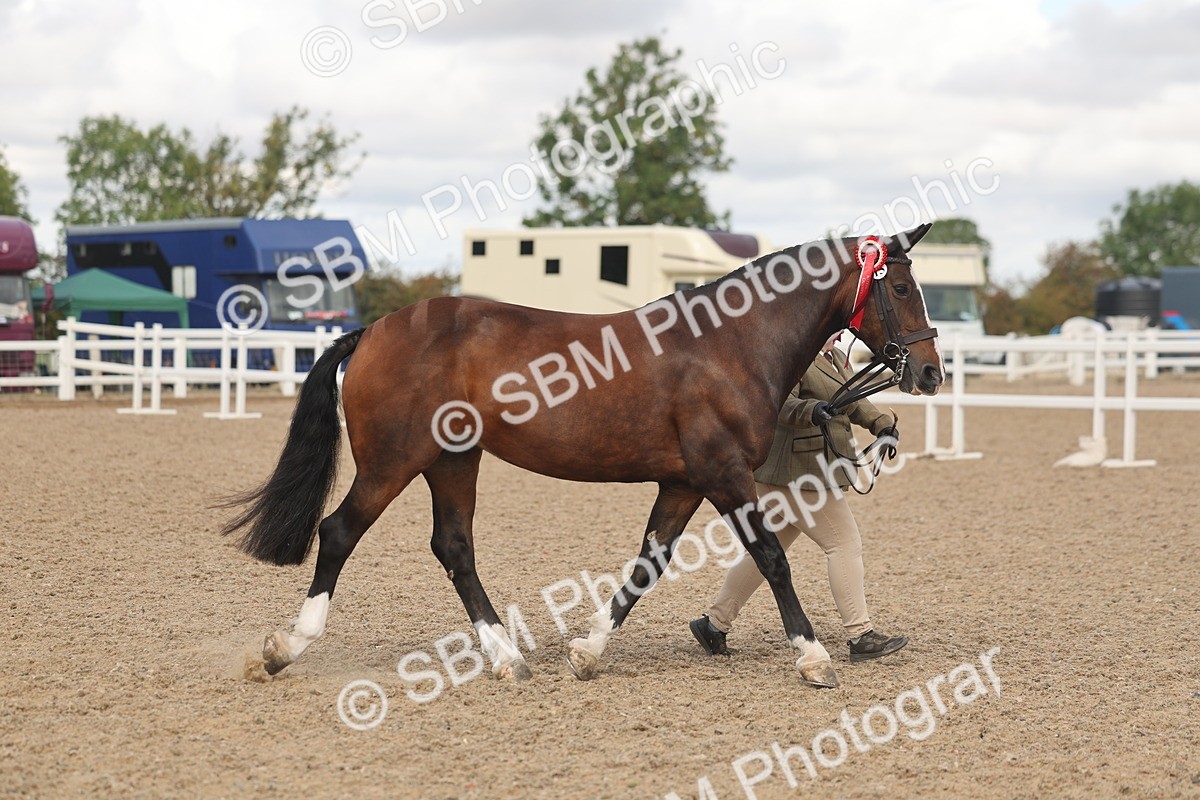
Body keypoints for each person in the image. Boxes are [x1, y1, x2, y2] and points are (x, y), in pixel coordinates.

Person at [689, 332, 908, 663]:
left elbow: (853, 400)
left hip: (801, 473)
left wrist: (881, 425)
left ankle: (713, 624)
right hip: (798, 474)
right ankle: (860, 635)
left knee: (766, 552)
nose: (840, 333)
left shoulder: (832, 359)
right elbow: (777, 403)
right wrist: (812, 409)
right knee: (844, 545)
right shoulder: (791, 356)